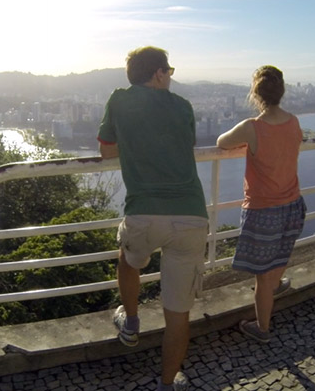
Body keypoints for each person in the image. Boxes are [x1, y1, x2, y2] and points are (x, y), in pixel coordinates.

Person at [98, 46, 208, 391]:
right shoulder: (183, 107)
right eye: (169, 71)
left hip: (143, 213)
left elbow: (106, 148)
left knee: (128, 260)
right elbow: (182, 144)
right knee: (177, 313)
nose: (171, 77)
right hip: (190, 216)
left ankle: (130, 323)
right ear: (159, 73)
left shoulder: (119, 100)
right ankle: (165, 384)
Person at [216, 66, 306, 343]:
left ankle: (262, 328)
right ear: (281, 92)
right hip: (293, 205)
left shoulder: (251, 127)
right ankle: (276, 284)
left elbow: (222, 142)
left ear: (256, 94)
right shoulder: (293, 122)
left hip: (263, 210)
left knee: (261, 279)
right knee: (279, 256)